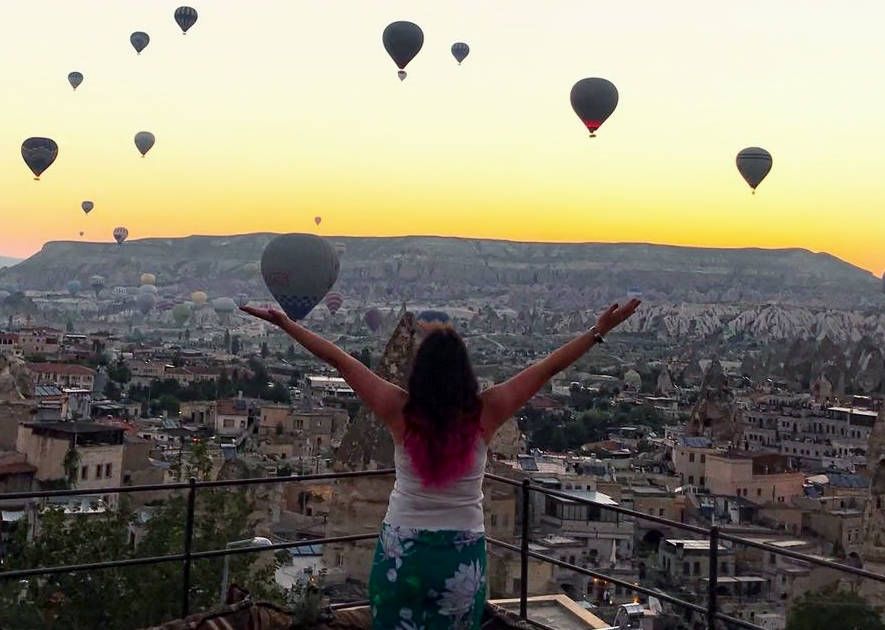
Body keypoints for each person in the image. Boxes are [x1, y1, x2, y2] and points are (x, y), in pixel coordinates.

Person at [240, 299, 640, 630]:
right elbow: (549, 369)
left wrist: (287, 324)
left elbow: (341, 362)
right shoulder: (487, 411)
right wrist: (597, 331)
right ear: (464, 373)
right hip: (459, 553)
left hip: (402, 550)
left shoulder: (399, 410)